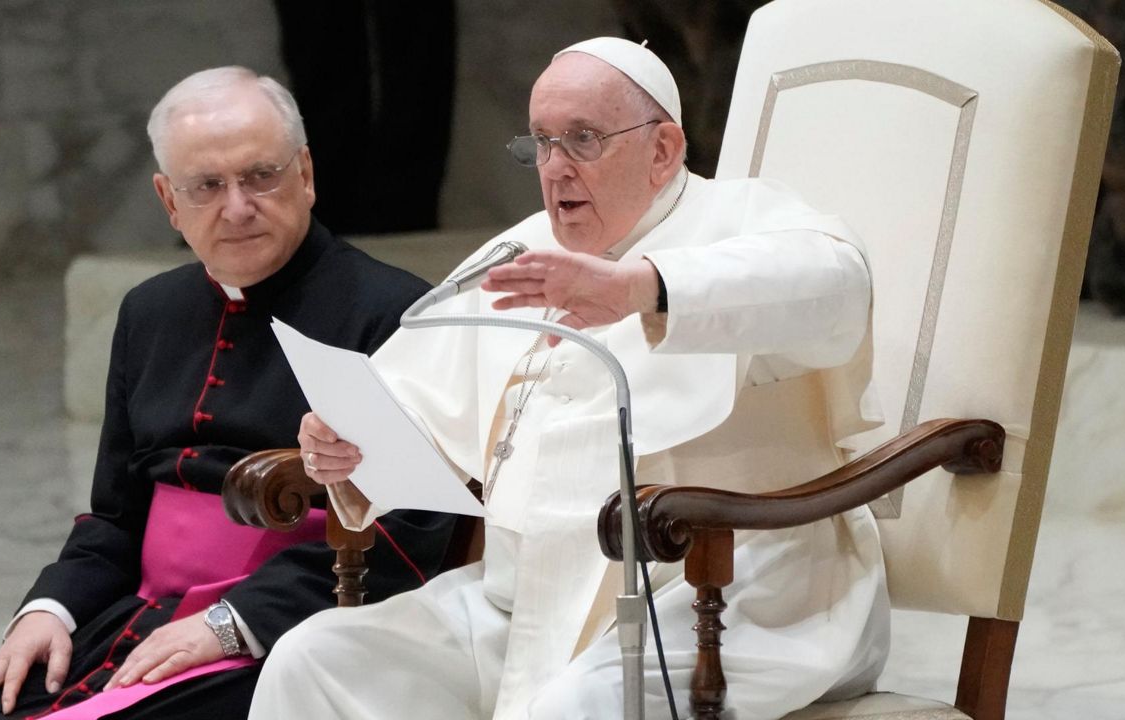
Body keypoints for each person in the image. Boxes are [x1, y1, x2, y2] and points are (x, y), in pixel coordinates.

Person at [251, 38, 889, 720]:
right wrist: (346, 444)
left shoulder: (742, 218)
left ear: (663, 149)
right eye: (542, 144)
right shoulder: (526, 249)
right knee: (314, 660)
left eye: (582, 139)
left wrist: (644, 289)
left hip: (724, 599)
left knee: (570, 708)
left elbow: (838, 289)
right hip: (522, 600)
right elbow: (412, 396)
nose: (555, 169)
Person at [0, 67, 455, 720]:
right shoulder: (149, 312)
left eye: (261, 176)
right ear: (169, 201)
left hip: (290, 626)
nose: (237, 206)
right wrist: (50, 609)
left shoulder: (394, 313)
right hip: (143, 617)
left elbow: (412, 534)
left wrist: (228, 622)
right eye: (208, 186)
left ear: (305, 174)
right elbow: (116, 516)